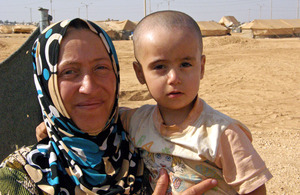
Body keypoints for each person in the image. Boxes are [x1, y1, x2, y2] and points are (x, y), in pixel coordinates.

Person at [0, 18, 217, 195]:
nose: (89, 87)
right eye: (69, 72)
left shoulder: (148, 150)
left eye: (101, 67)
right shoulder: (21, 175)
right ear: (46, 85)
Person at [118, 10, 273, 194]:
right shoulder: (137, 121)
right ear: (139, 73)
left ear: (201, 67)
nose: (174, 78)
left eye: (185, 64)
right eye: (160, 67)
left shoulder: (223, 134)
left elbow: (255, 190)